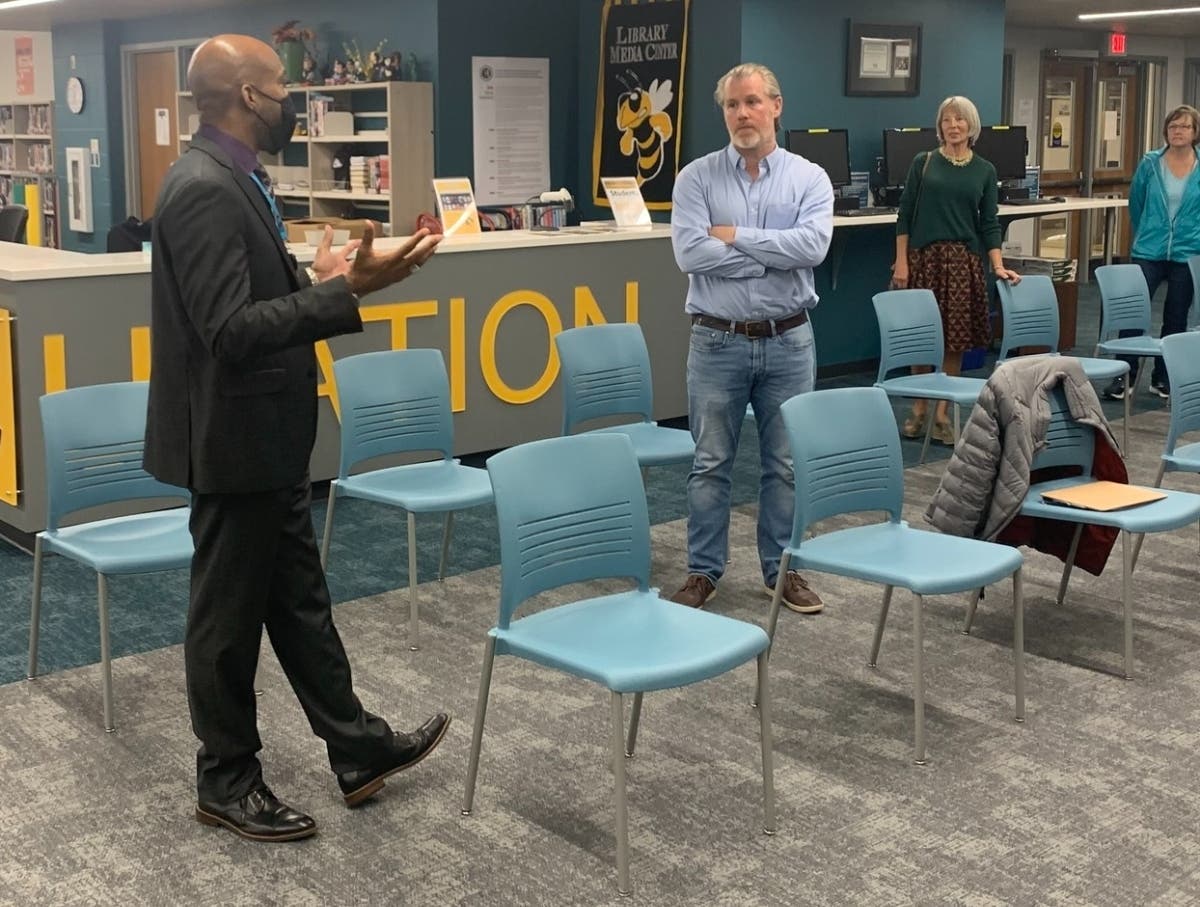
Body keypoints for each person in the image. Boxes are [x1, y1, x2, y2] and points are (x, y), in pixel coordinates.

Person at [144, 34, 447, 843]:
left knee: (299, 604)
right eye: (281, 85)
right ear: (247, 95)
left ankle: (356, 748)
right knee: (226, 621)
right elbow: (230, 331)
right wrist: (343, 293)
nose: (293, 96)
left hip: (266, 434)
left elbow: (252, 297)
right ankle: (226, 779)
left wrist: (325, 276)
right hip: (233, 438)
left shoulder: (234, 179)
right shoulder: (204, 188)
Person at [668, 62, 832, 615]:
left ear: (776, 106)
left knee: (785, 463)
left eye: (753, 102)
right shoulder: (696, 178)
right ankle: (703, 571)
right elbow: (690, 254)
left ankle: (781, 570)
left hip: (790, 342)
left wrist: (736, 238)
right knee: (711, 462)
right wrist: (769, 259)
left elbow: (811, 248)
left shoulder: (809, 178)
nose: (743, 114)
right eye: (733, 105)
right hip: (717, 342)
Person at [891, 95, 1021, 444]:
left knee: (955, 339)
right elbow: (904, 215)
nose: (953, 126)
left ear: (971, 126)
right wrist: (902, 261)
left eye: (959, 120)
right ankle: (919, 407)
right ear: (940, 127)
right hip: (925, 259)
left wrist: (998, 265)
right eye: (947, 120)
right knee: (922, 336)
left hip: (963, 262)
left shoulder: (984, 170)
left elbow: (989, 223)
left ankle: (943, 413)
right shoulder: (925, 162)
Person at [1103, 104, 1200, 401]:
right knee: (1133, 314)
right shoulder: (1150, 163)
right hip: (1149, 249)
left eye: (1184, 126)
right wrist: (1147, 231)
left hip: (1187, 251)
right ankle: (1124, 376)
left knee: (1175, 318)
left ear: (1195, 132)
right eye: (1173, 126)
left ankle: (1163, 377)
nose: (1178, 132)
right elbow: (1137, 204)